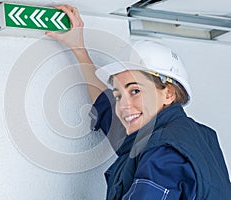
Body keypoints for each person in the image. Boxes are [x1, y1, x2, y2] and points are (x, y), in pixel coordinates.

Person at [46, 5, 231, 200]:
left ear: (168, 94)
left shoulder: (164, 153)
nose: (123, 106)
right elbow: (106, 107)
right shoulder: (193, 136)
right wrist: (78, 48)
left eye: (135, 91)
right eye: (118, 95)